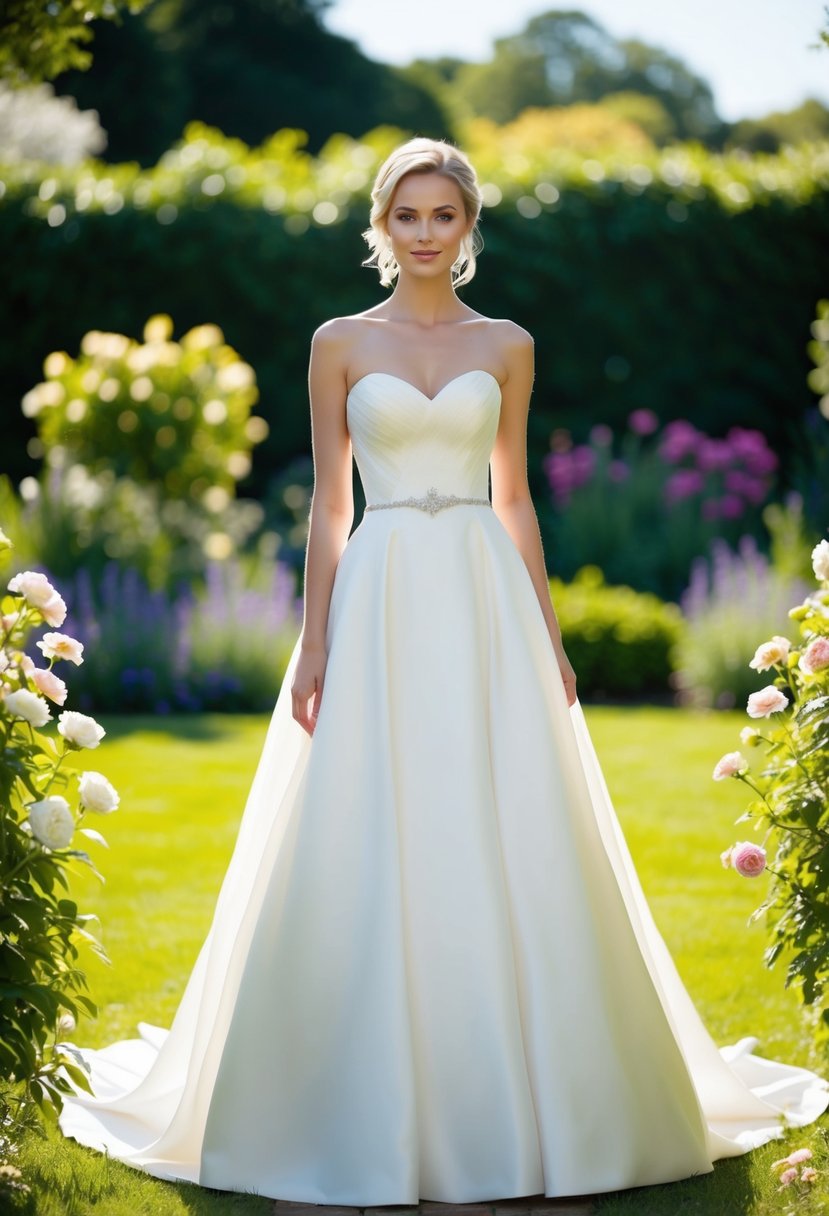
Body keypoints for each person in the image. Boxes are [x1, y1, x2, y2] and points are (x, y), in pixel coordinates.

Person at [58, 137, 829, 1206]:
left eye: (444, 215)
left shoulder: (507, 343)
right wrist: (316, 640)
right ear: (382, 225)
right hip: (376, 591)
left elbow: (515, 498)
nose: (425, 232)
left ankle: (536, 1093)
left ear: (468, 228)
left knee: (502, 810)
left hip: (480, 593)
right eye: (408, 214)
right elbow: (331, 508)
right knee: (366, 815)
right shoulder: (337, 342)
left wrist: (549, 635)